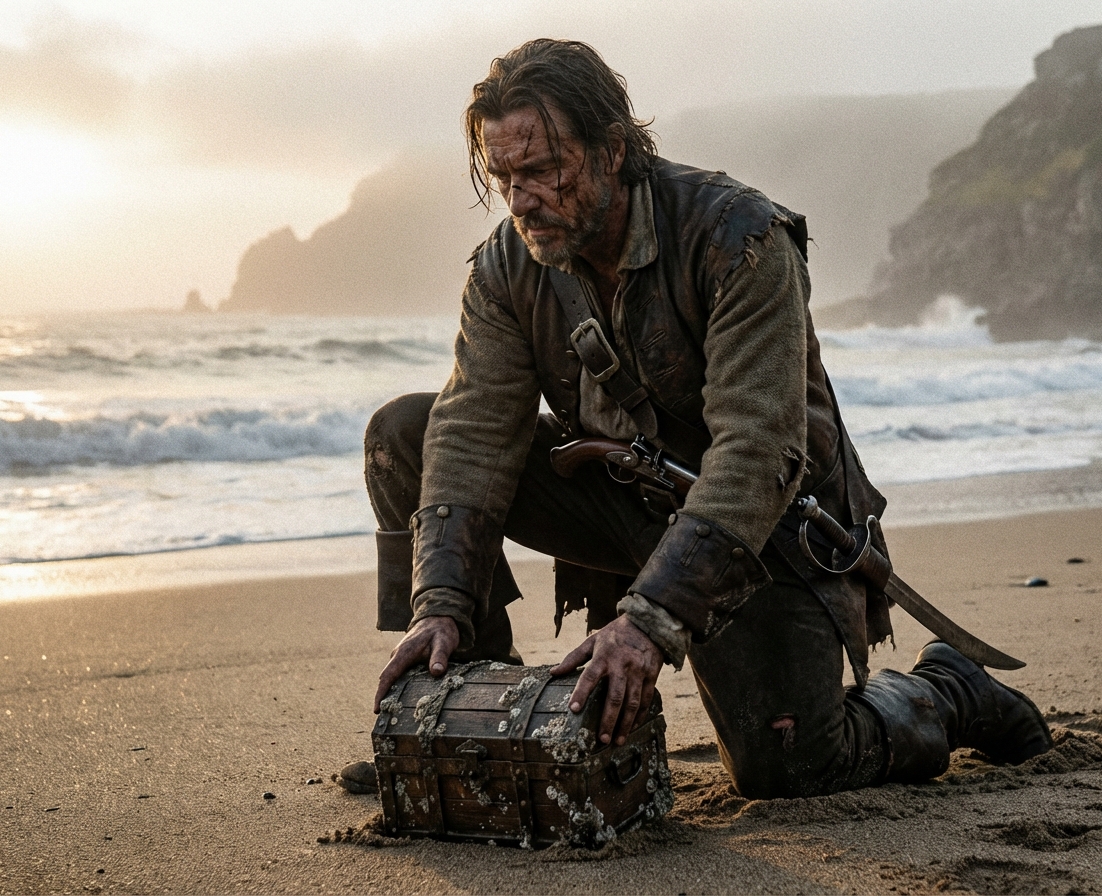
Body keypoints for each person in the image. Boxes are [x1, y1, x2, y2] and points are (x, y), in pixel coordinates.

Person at [351, 38, 1051, 799]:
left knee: (787, 765)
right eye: (505, 178)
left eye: (545, 171)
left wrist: (649, 621)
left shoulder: (737, 238)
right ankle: (471, 723)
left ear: (612, 151)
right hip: (620, 496)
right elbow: (474, 430)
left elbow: (759, 450)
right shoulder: (506, 265)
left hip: (765, 527)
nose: (520, 201)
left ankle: (947, 688)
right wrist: (440, 602)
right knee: (403, 437)